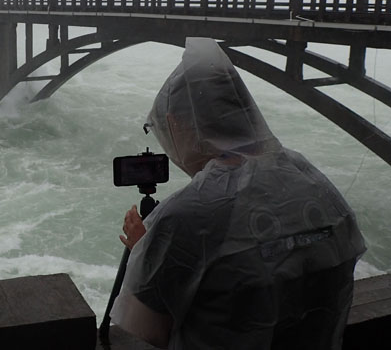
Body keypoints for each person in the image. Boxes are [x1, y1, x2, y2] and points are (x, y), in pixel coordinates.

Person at [110, 37, 366, 350]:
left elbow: (144, 332)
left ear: (176, 123)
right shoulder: (310, 177)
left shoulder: (184, 215)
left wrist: (145, 250)